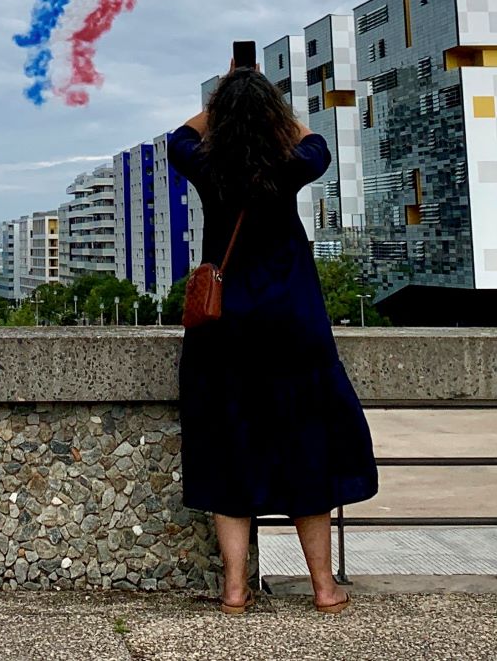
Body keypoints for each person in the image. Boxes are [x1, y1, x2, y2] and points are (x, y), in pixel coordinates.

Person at [170, 65, 377, 616]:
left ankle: (235, 590)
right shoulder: (292, 164)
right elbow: (316, 142)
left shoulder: (205, 164)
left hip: (224, 331)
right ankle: (323, 589)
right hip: (293, 324)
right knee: (307, 447)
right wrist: (269, 110)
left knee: (226, 449)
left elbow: (179, 137)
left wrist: (225, 103)